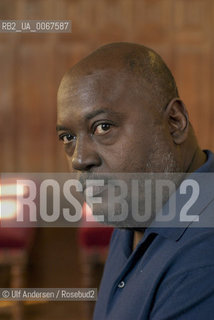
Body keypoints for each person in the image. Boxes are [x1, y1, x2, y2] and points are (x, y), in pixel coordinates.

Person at [57, 42, 214, 319]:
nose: (79, 160)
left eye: (103, 127)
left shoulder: (203, 260)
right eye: (68, 137)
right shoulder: (138, 204)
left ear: (175, 122)